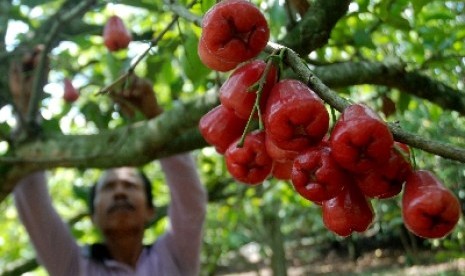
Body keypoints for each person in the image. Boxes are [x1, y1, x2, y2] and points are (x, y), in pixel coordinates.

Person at [11, 54, 207, 275]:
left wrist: (156, 119)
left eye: (130, 185)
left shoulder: (175, 255)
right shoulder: (74, 266)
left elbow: (191, 201)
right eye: (108, 187)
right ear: (93, 217)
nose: (120, 192)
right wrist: (27, 110)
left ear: (150, 210)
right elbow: (32, 201)